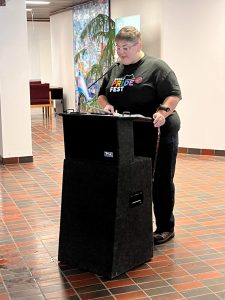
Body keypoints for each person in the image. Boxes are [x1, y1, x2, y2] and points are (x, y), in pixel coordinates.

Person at [97, 26, 182, 245]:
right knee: (134, 179)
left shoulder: (156, 67)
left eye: (126, 47)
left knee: (160, 180)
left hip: (158, 133)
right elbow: (102, 95)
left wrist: (163, 112)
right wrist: (106, 105)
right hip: (127, 134)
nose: (121, 52)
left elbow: (174, 95)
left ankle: (165, 227)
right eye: (118, 47)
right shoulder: (115, 69)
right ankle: (135, 223)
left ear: (138, 45)